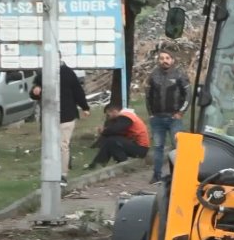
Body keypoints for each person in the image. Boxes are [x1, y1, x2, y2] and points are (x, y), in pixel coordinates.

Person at [30, 56, 90, 186]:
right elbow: (33, 92)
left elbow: (77, 91)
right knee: (48, 145)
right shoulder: (43, 73)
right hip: (48, 116)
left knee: (63, 145)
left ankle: (63, 174)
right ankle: (49, 172)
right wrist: (36, 91)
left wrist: (84, 107)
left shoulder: (67, 72)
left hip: (66, 115)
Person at [146, 49, 190, 183]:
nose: (164, 61)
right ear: (158, 60)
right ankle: (156, 175)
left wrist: (181, 112)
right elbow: (148, 96)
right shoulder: (153, 76)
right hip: (157, 118)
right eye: (161, 58)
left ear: (172, 60)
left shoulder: (180, 75)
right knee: (158, 148)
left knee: (177, 148)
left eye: (167, 58)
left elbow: (188, 95)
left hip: (173, 118)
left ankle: (179, 176)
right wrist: (151, 114)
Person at [85, 104, 150, 169]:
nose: (108, 117)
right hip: (137, 146)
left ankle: (98, 165)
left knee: (111, 141)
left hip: (140, 148)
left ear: (114, 111)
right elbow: (117, 132)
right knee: (111, 142)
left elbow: (115, 129)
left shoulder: (125, 116)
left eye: (108, 115)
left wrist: (104, 131)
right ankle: (98, 165)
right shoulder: (126, 117)